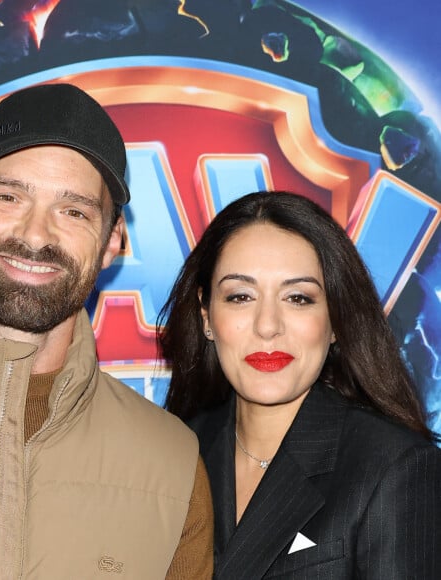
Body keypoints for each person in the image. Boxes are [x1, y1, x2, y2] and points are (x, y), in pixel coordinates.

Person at [0, 83, 213, 579]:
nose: (34, 235)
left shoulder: (171, 466)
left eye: (73, 211)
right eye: (8, 196)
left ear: (113, 239)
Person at [158, 191, 441, 579]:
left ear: (335, 321)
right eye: (240, 296)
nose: (267, 325)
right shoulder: (172, 452)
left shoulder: (392, 468)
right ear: (207, 315)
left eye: (298, 298)